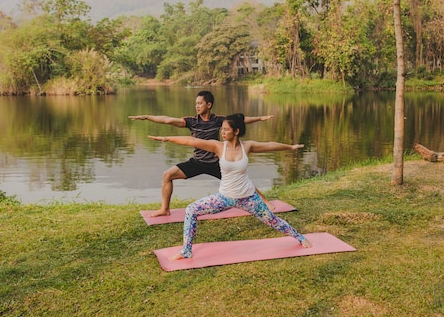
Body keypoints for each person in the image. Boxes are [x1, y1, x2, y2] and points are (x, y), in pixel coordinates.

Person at [149, 113, 312, 260]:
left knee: (272, 220)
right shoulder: (218, 146)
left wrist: (290, 147)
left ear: (237, 131)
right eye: (222, 129)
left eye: (226, 129)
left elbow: (270, 145)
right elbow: (192, 141)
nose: (222, 132)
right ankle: (186, 251)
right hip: (224, 198)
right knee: (191, 210)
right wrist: (168, 139)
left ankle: (300, 237)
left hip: (249, 198)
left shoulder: (247, 146)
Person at [129, 90, 273, 217]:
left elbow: (240, 121)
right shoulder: (192, 121)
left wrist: (260, 118)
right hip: (197, 162)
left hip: (216, 163)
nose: (197, 106)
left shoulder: (218, 121)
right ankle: (165, 209)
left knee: (242, 180)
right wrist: (147, 117)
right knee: (168, 175)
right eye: (196, 103)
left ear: (208, 105)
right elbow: (168, 120)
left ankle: (265, 201)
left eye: (200, 103)